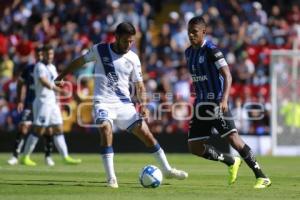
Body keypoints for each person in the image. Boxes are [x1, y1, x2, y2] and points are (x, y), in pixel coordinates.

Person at [55, 22, 188, 188]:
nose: (129, 45)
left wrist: (144, 105)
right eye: (126, 41)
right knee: (105, 129)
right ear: (116, 37)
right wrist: (61, 75)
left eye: (131, 41)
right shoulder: (100, 50)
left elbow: (139, 86)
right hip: (103, 102)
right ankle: (111, 178)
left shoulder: (133, 58)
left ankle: (167, 170)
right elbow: (79, 62)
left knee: (147, 135)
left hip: (124, 104)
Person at [185, 16, 271, 189]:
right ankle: (231, 161)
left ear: (204, 32)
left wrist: (224, 99)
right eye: (189, 32)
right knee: (194, 147)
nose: (191, 35)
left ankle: (262, 177)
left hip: (216, 103)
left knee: (234, 139)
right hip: (201, 105)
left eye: (194, 32)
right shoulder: (188, 52)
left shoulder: (212, 50)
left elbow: (227, 75)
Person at [20, 45, 81, 166]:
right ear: (43, 54)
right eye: (48, 54)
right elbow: (44, 82)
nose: (50, 56)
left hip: (52, 102)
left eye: (51, 54)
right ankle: (25, 156)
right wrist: (59, 90)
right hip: (42, 102)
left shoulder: (52, 67)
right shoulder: (39, 66)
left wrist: (60, 82)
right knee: (39, 129)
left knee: (58, 128)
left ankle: (65, 156)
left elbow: (54, 81)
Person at [7, 46, 55, 166]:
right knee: (23, 127)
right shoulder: (29, 69)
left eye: (41, 55)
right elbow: (20, 83)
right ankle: (15, 156)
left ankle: (48, 156)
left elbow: (54, 84)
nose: (39, 57)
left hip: (45, 103)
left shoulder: (49, 68)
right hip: (29, 102)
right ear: (35, 55)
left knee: (48, 129)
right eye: (37, 55)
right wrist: (20, 100)